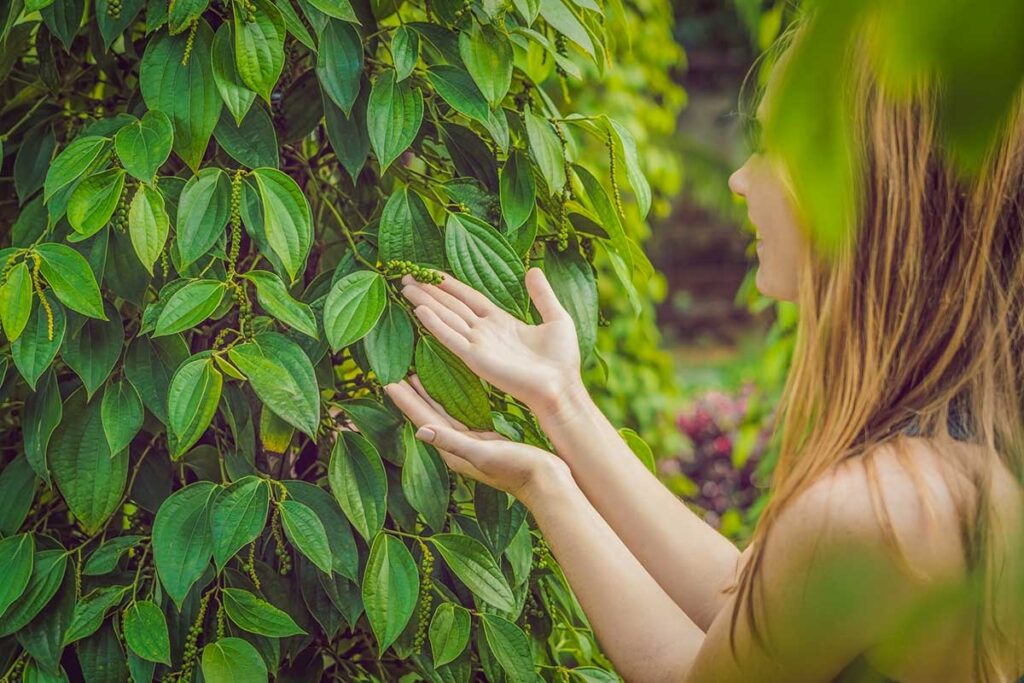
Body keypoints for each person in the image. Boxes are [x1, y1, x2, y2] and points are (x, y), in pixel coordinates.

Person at [382, 12, 1024, 683]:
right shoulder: (959, 460)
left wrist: (543, 485)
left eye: (776, 147)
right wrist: (561, 403)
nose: (741, 178)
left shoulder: (877, 512)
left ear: (867, 191)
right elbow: (744, 599)